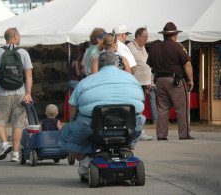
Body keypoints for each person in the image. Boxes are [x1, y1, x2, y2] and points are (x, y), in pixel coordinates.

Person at [58, 51, 145, 179]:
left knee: (65, 136)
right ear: (116, 64)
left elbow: (73, 105)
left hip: (94, 126)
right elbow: (140, 102)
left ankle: (85, 162)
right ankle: (130, 145)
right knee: (140, 119)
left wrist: (72, 121)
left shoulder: (86, 81)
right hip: (127, 128)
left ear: (98, 66)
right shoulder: (131, 79)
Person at [0, 28, 33, 162]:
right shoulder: (23, 52)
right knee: (18, 124)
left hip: (1, 93)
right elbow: (28, 75)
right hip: (20, 94)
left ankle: (5, 144)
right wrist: (28, 93)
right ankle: (15, 154)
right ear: (16, 36)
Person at [147, 22, 194, 140]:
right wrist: (191, 80)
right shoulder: (178, 46)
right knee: (181, 108)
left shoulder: (155, 48)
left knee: (163, 108)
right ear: (174, 35)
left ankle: (161, 135)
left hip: (160, 80)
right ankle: (184, 134)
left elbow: (151, 65)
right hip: (175, 81)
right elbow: (187, 64)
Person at [127, 27, 153, 141]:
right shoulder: (130, 47)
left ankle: (139, 131)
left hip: (143, 83)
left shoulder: (142, 47)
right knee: (136, 108)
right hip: (135, 84)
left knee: (140, 107)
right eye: (145, 37)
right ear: (138, 36)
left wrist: (149, 81)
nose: (147, 39)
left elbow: (145, 64)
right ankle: (138, 132)